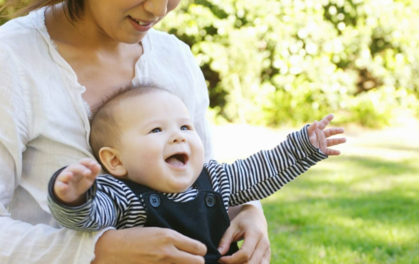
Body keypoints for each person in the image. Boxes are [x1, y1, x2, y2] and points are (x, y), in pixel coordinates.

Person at [0, 0, 272, 263]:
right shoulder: (11, 57)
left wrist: (248, 210)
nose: (159, 8)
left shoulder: (174, 56)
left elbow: (203, 174)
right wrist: (96, 252)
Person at [47, 85, 346, 263]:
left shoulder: (214, 178)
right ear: (115, 161)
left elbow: (262, 171)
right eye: (156, 129)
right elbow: (88, 218)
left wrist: (303, 148)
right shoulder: (123, 194)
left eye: (185, 127)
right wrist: (74, 196)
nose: (179, 137)